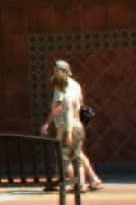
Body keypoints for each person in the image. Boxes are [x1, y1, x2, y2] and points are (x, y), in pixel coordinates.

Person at [40, 60, 101, 193]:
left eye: (56, 70)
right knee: (78, 156)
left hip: (65, 126)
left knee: (64, 156)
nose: (54, 72)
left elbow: (58, 107)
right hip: (78, 124)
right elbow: (80, 103)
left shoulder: (61, 86)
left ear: (63, 71)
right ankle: (90, 180)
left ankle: (75, 184)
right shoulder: (76, 84)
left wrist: (47, 123)